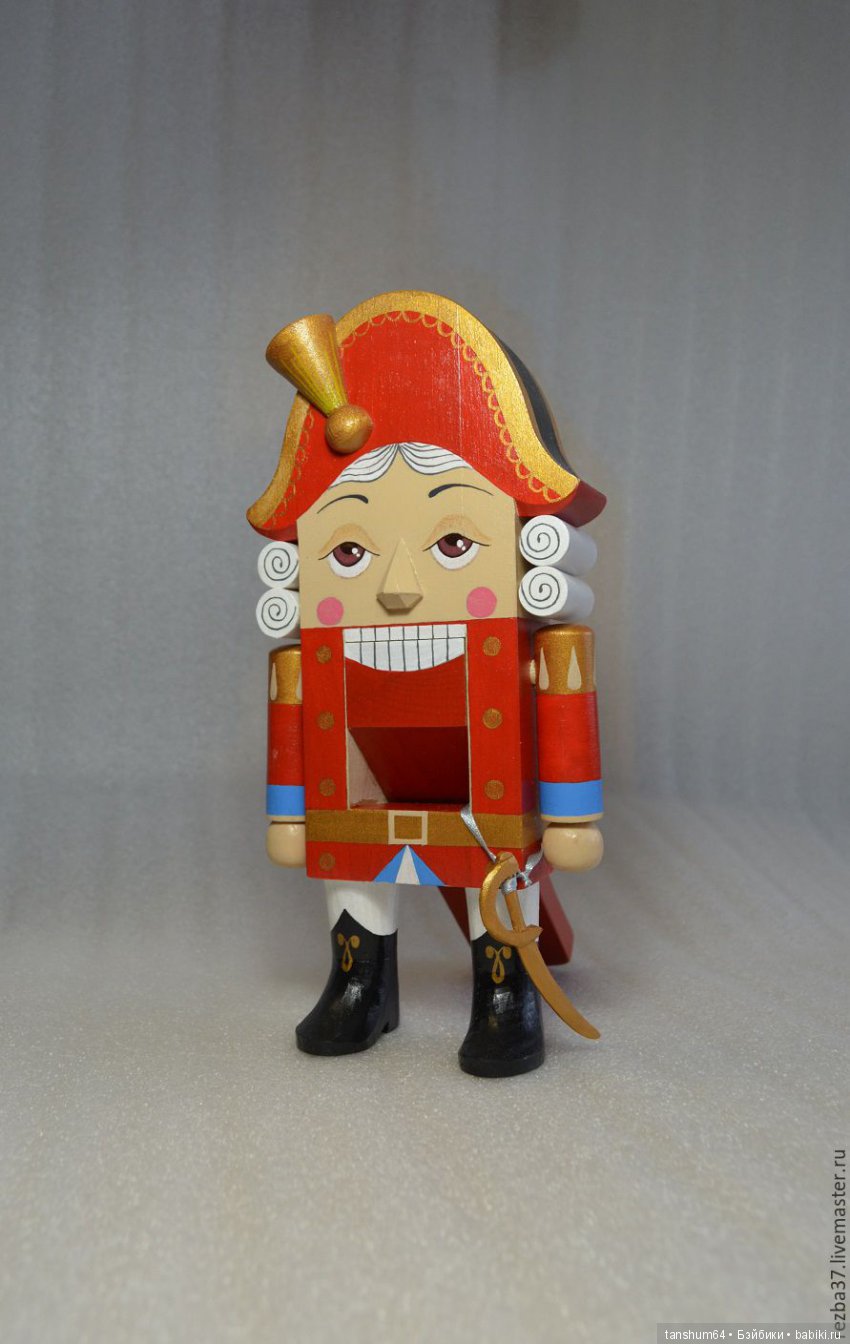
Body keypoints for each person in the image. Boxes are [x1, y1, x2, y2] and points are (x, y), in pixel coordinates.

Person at [248, 292, 605, 1077]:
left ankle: (504, 990)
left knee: (492, 852)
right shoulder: (308, 662)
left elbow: (564, 714)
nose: (398, 588)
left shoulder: (543, 648)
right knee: (351, 852)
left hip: (488, 796)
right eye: (349, 552)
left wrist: (571, 818)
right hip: (369, 790)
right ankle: (359, 984)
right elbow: (298, 730)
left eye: (452, 542)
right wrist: (291, 814)